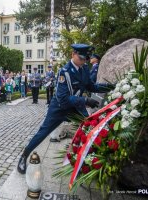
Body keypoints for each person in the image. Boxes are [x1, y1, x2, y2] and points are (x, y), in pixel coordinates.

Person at [17, 44, 115, 174]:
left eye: (85, 59)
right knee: (43, 132)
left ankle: (85, 160)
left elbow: (91, 86)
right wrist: (85, 100)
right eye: (81, 58)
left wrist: (111, 87)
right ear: (72, 54)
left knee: (90, 127)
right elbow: (63, 98)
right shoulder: (64, 71)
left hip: (75, 106)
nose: (83, 61)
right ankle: (24, 156)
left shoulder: (84, 68)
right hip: (59, 108)